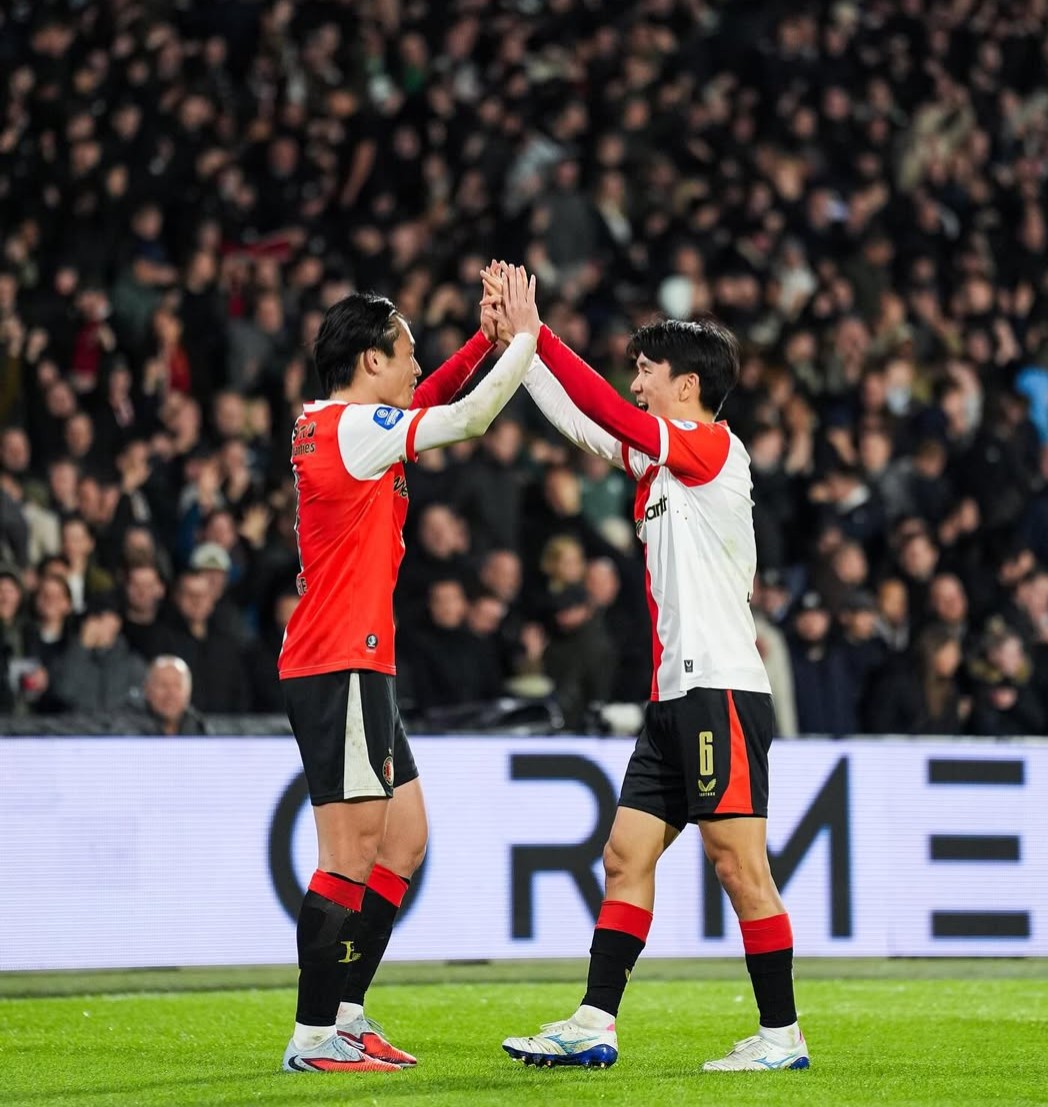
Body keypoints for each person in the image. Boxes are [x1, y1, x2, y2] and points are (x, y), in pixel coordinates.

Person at [486, 272, 808, 1072]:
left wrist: (542, 330)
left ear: (686, 385)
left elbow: (607, 412)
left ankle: (780, 1034)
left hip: (721, 688)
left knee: (740, 867)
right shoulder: (663, 467)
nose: (636, 379)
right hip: (673, 697)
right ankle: (596, 1020)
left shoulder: (712, 449)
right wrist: (518, 350)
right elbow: (583, 422)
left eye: (647, 370)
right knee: (625, 856)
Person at [277, 266, 539, 1074]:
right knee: (348, 855)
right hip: (338, 663)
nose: (417, 368)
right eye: (408, 353)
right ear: (369, 362)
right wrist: (526, 341)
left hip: (360, 663)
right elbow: (461, 418)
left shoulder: (343, 421)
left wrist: (483, 342)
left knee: (403, 842)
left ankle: (347, 1015)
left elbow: (429, 399)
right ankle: (314, 1035)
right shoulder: (354, 430)